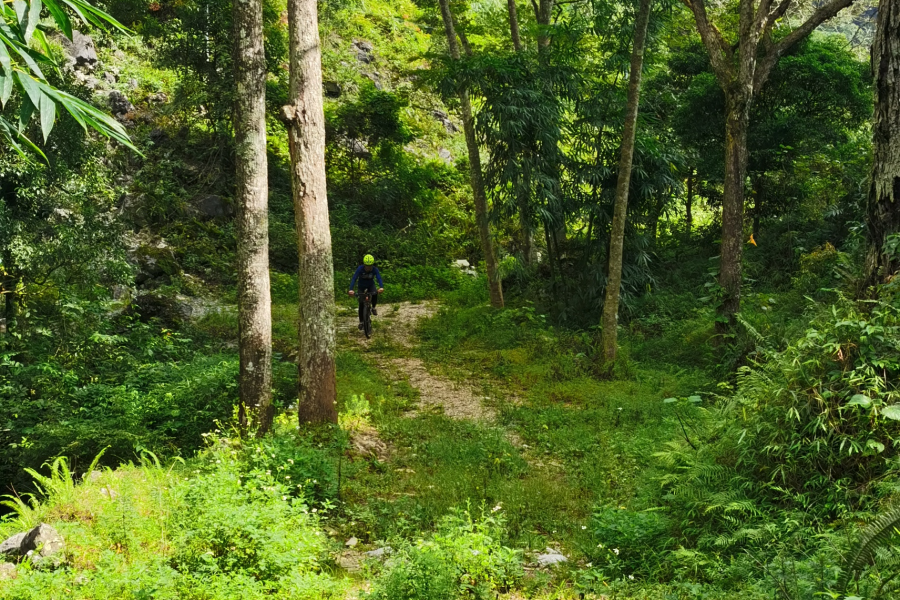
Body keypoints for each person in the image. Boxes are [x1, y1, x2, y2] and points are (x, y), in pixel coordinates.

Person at [348, 254, 384, 329]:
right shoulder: (360, 269)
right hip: (361, 286)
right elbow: (354, 278)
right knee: (361, 303)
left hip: (371, 285)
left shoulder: (374, 269)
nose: (368, 267)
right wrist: (351, 289)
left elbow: (379, 278)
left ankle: (373, 307)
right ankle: (361, 321)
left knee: (374, 293)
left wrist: (381, 287)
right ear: (364, 265)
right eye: (367, 266)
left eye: (370, 265)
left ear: (372, 265)